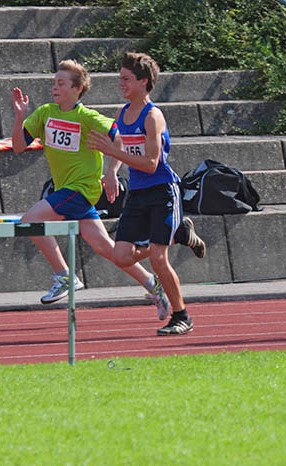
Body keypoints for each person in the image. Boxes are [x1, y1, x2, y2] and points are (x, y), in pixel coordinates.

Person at [11, 59, 171, 318]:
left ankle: (65, 276)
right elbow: (18, 146)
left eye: (61, 83)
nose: (55, 87)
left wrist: (111, 172)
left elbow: (120, 137)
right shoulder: (44, 113)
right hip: (66, 189)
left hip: (82, 188)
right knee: (106, 248)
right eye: (54, 83)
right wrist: (19, 117)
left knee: (30, 221)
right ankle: (154, 285)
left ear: (77, 89)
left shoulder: (87, 117)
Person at [87, 52, 194, 336]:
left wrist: (112, 151)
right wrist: (111, 170)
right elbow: (124, 147)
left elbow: (151, 163)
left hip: (161, 191)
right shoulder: (123, 113)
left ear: (143, 81)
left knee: (159, 258)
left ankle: (181, 315)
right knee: (121, 255)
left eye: (126, 79)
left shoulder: (153, 116)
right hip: (137, 192)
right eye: (120, 78)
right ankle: (178, 234)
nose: (120, 83)